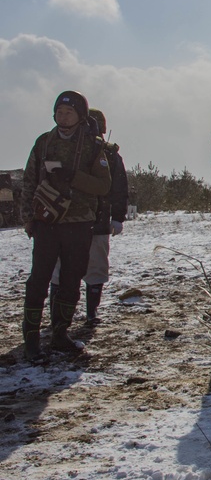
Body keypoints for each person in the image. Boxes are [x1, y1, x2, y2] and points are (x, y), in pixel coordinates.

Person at [20, 91, 111, 359]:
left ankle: (60, 334)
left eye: (68, 112)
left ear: (80, 115)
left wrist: (73, 176)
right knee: (39, 280)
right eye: (59, 111)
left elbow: (103, 186)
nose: (63, 117)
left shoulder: (94, 147)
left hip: (80, 224)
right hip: (46, 224)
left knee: (71, 280)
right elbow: (29, 181)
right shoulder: (44, 143)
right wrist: (28, 218)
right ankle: (32, 339)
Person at [49, 108, 128, 324]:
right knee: (67, 269)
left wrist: (118, 217)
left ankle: (86, 313)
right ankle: (67, 315)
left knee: (87, 268)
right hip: (71, 221)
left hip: (92, 221)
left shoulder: (108, 153)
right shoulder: (71, 149)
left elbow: (118, 188)